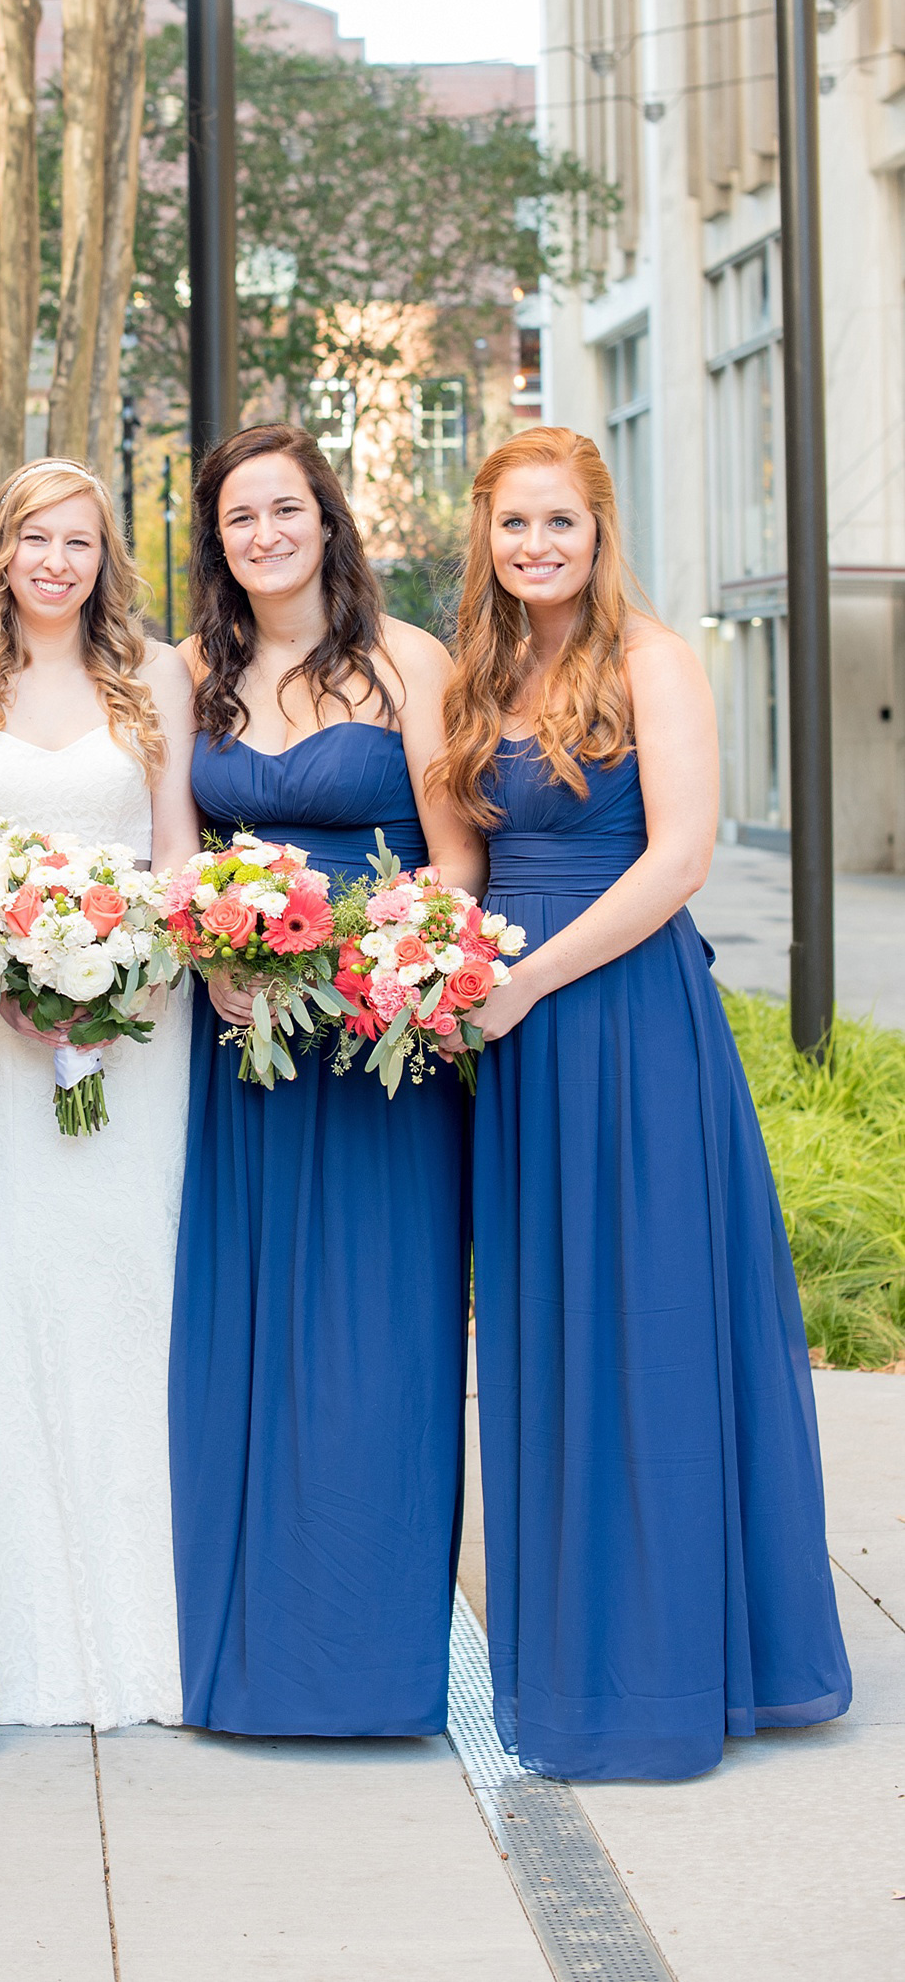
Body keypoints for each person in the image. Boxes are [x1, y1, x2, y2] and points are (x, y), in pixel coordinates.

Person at [440, 425, 851, 1781]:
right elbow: (468, 858)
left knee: (654, 1319)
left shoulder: (653, 660)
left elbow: (679, 859)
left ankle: (673, 1659)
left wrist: (524, 977)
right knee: (549, 1330)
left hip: (617, 1013)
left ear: (600, 530)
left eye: (559, 521)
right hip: (514, 1026)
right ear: (487, 538)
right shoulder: (485, 673)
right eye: (514, 525)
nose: (536, 545)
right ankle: (570, 1643)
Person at [168, 422, 479, 1736]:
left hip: (380, 1052)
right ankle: (239, 1661)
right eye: (239, 517)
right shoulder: (194, 671)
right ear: (218, 542)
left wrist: (391, 969)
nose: (264, 534)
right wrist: (212, 958)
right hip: (241, 1045)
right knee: (241, 1339)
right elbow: (177, 850)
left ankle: (364, 1665)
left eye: (284, 508)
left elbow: (458, 862)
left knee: (376, 1344)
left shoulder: (411, 661)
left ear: (327, 519)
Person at [0, 459, 199, 1729]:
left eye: (79, 541)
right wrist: (7, 973)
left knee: (133, 1280)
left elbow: (176, 847)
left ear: (104, 556)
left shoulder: (161, 676)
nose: (57, 561)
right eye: (35, 537)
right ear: (0, 548)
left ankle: (152, 1628)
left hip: (141, 1027)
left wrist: (127, 970)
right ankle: (13, 1635)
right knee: (11, 1280)